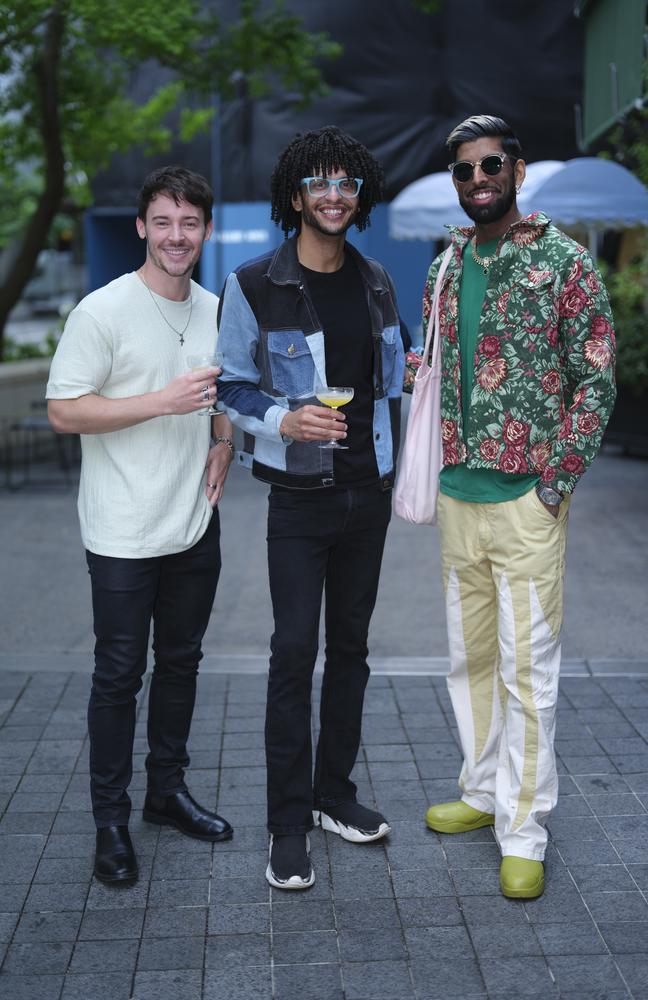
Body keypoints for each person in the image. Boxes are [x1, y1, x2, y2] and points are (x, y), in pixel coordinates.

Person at [416, 115, 616, 898]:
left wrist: (554, 485)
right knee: (470, 663)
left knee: (528, 672)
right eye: (464, 171)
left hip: (527, 504)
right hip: (459, 499)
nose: (478, 181)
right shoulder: (444, 265)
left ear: (518, 170)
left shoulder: (563, 262)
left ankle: (524, 827)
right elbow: (445, 371)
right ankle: (481, 790)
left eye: (490, 165)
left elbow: (596, 378)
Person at [217, 126, 404, 890]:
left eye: (347, 184)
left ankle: (335, 796)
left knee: (352, 652)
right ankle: (286, 822)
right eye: (320, 183)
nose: (335, 195)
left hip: (369, 492)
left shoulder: (377, 280)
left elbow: (393, 380)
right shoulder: (255, 282)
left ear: (359, 198)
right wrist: (283, 420)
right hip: (297, 499)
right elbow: (230, 383)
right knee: (295, 654)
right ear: (295, 196)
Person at [47, 166, 234, 885]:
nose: (176, 236)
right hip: (122, 531)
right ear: (141, 228)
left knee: (182, 664)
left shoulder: (217, 309)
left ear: (205, 230)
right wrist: (158, 402)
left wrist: (222, 441)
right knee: (119, 676)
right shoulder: (101, 312)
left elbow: (222, 394)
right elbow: (66, 410)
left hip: (194, 523)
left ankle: (166, 795)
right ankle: (110, 824)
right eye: (163, 222)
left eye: (189, 223)